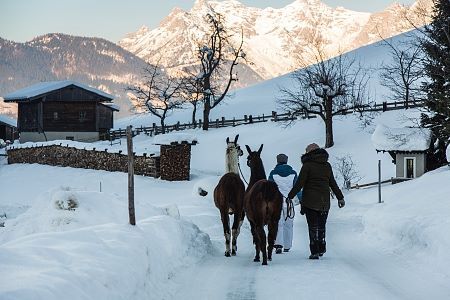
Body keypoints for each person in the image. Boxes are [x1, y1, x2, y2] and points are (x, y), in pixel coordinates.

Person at [287, 143, 345, 259]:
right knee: (322, 226)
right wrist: (340, 197)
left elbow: (299, 184)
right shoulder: (327, 165)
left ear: (309, 153)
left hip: (310, 201)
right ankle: (322, 248)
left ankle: (314, 251)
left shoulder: (307, 166)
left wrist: (290, 196)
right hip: (324, 201)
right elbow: (332, 183)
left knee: (313, 227)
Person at [268, 153, 302, 254]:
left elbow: (269, 188)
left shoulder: (273, 173)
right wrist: (301, 200)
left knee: (278, 223)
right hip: (289, 202)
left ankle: (278, 245)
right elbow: (297, 188)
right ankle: (287, 246)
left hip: (276, 203)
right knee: (289, 224)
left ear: (277, 161)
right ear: (286, 161)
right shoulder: (293, 173)